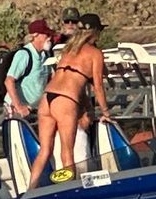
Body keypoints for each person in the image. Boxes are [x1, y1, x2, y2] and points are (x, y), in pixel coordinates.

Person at [30, 26, 106, 188]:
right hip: (65, 101)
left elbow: (74, 84)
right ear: (95, 34)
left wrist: (88, 106)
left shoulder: (69, 50)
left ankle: (30, 189)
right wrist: (106, 112)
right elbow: (98, 86)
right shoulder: (95, 53)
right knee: (67, 153)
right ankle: (69, 191)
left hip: (47, 98)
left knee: (44, 151)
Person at [4, 19, 55, 120]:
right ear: (35, 35)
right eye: (46, 35)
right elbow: (9, 81)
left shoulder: (46, 55)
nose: (49, 38)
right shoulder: (24, 55)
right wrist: (19, 107)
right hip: (17, 109)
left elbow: (52, 78)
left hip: (35, 108)